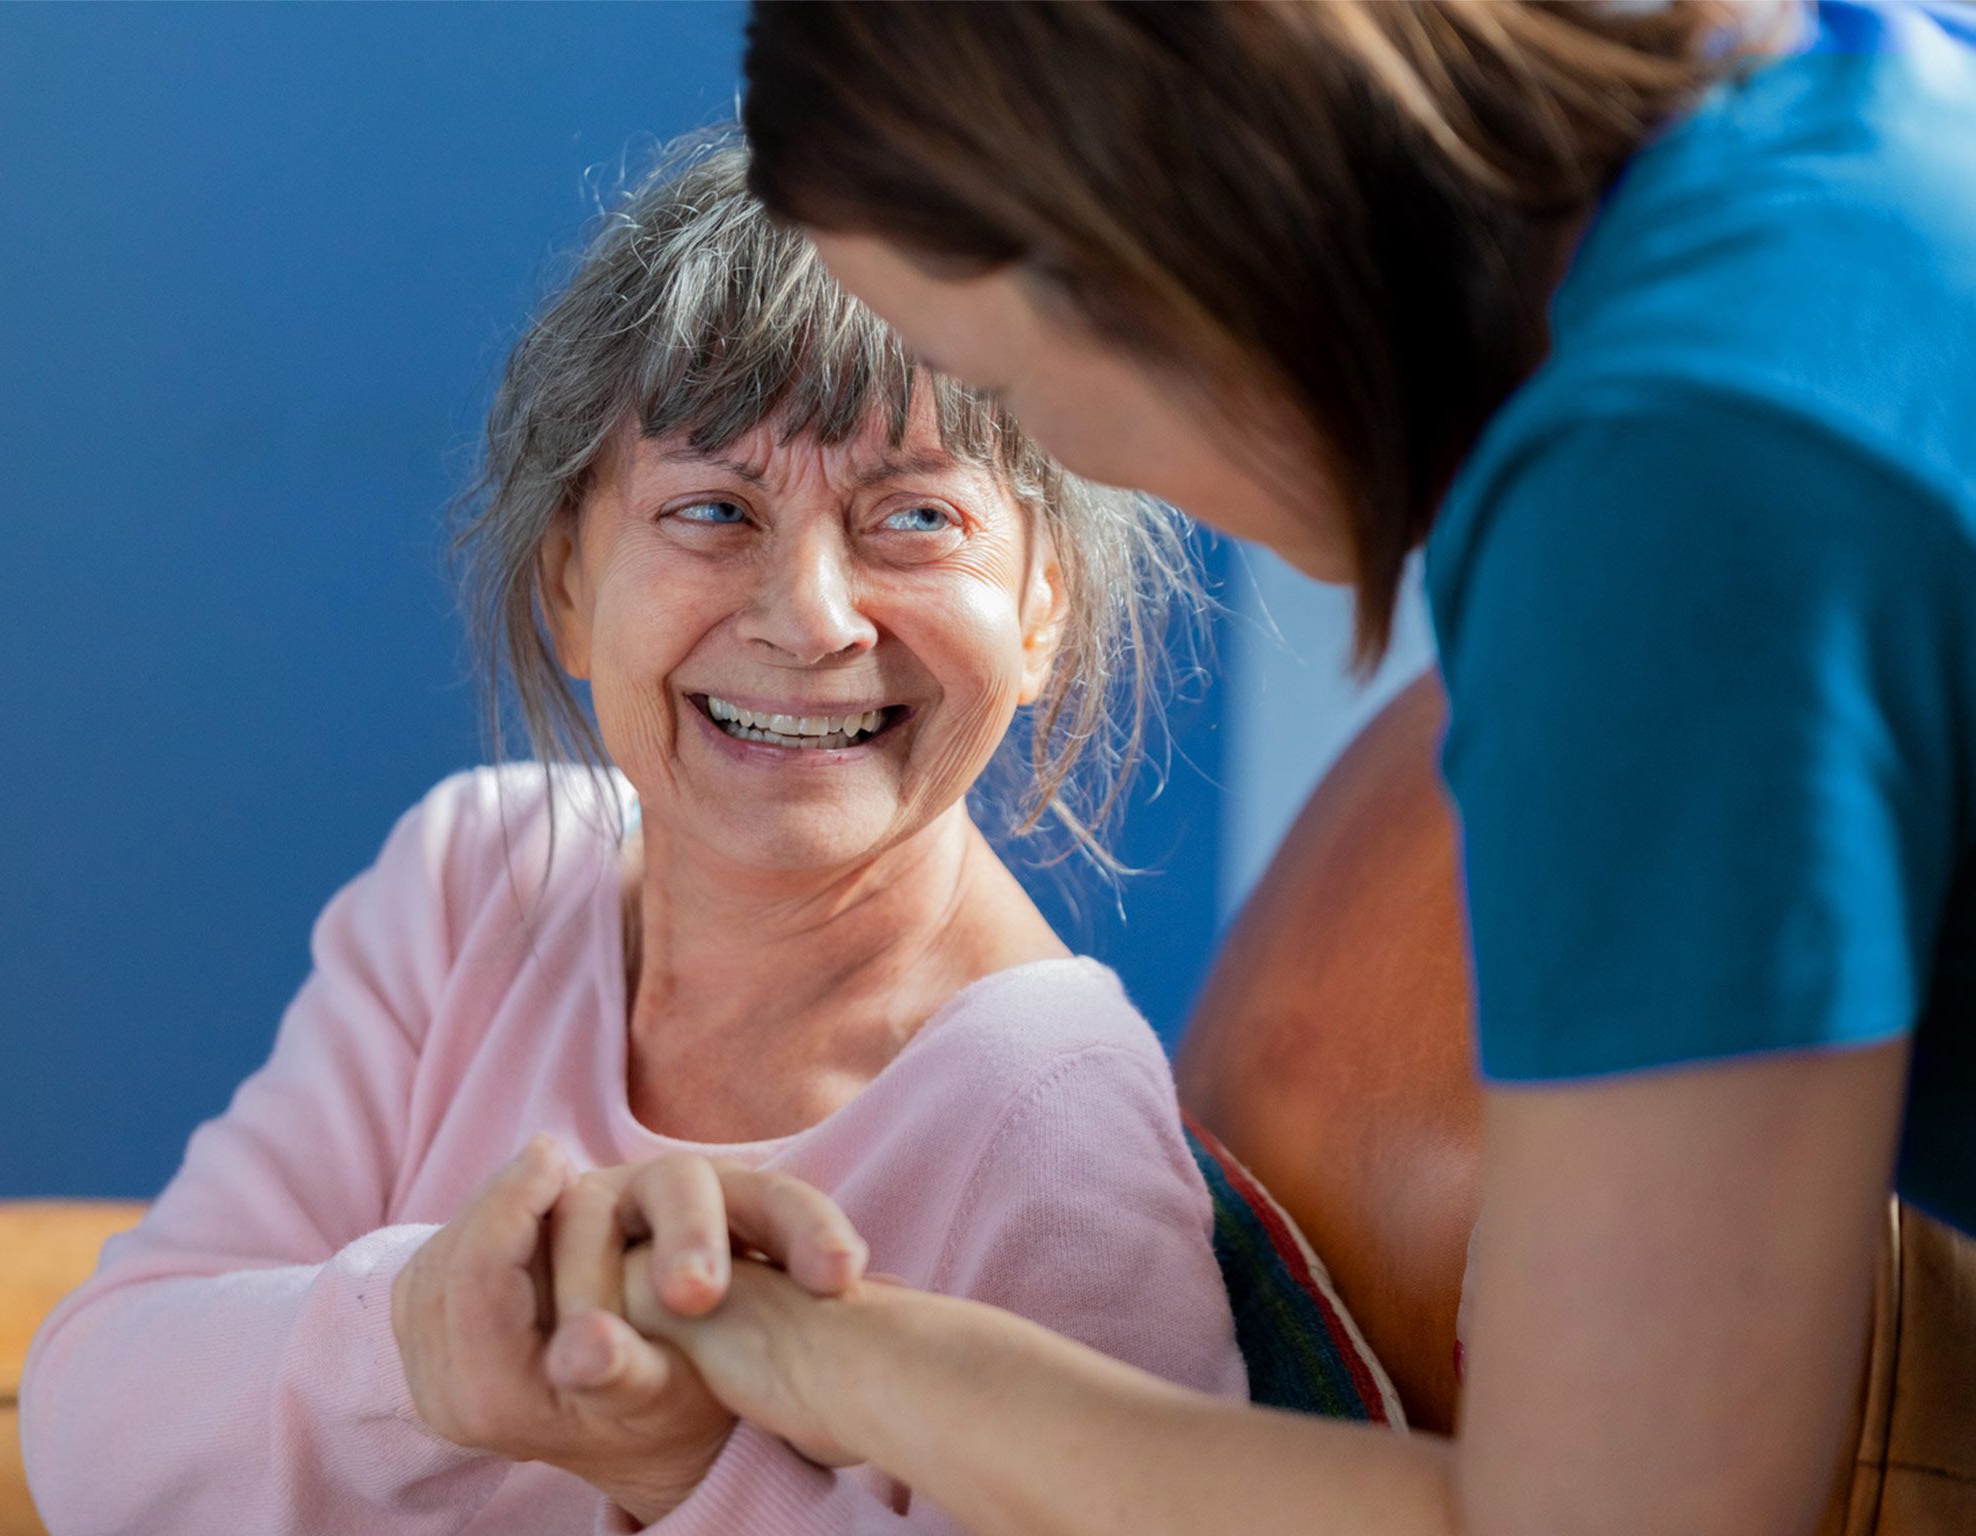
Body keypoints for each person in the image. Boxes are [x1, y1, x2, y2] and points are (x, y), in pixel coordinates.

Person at [562, 5, 1976, 1535]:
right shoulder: (1847, 86)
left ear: (1143, 252)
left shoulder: (1672, 493)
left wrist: (820, 1356)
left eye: (1003, 388)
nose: (1082, 461)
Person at [17, 134, 1246, 1535]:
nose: (810, 614)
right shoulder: (471, 886)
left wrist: (681, 1470)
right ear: (568, 587)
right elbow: (90, 1422)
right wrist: (425, 1340)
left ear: (1043, 614)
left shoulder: (1052, 1123)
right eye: (711, 510)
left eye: (913, 518)